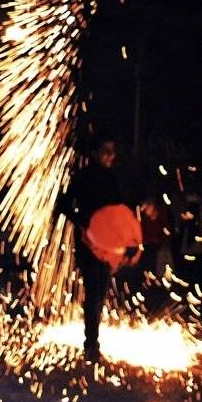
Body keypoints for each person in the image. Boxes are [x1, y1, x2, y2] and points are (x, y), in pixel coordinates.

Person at [59, 138, 127, 364]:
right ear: (96, 153)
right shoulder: (83, 177)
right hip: (89, 244)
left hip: (107, 245)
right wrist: (83, 223)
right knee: (94, 290)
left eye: (113, 151)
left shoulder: (112, 178)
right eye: (106, 151)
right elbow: (64, 204)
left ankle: (92, 341)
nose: (111, 156)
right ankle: (91, 344)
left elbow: (120, 209)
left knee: (100, 291)